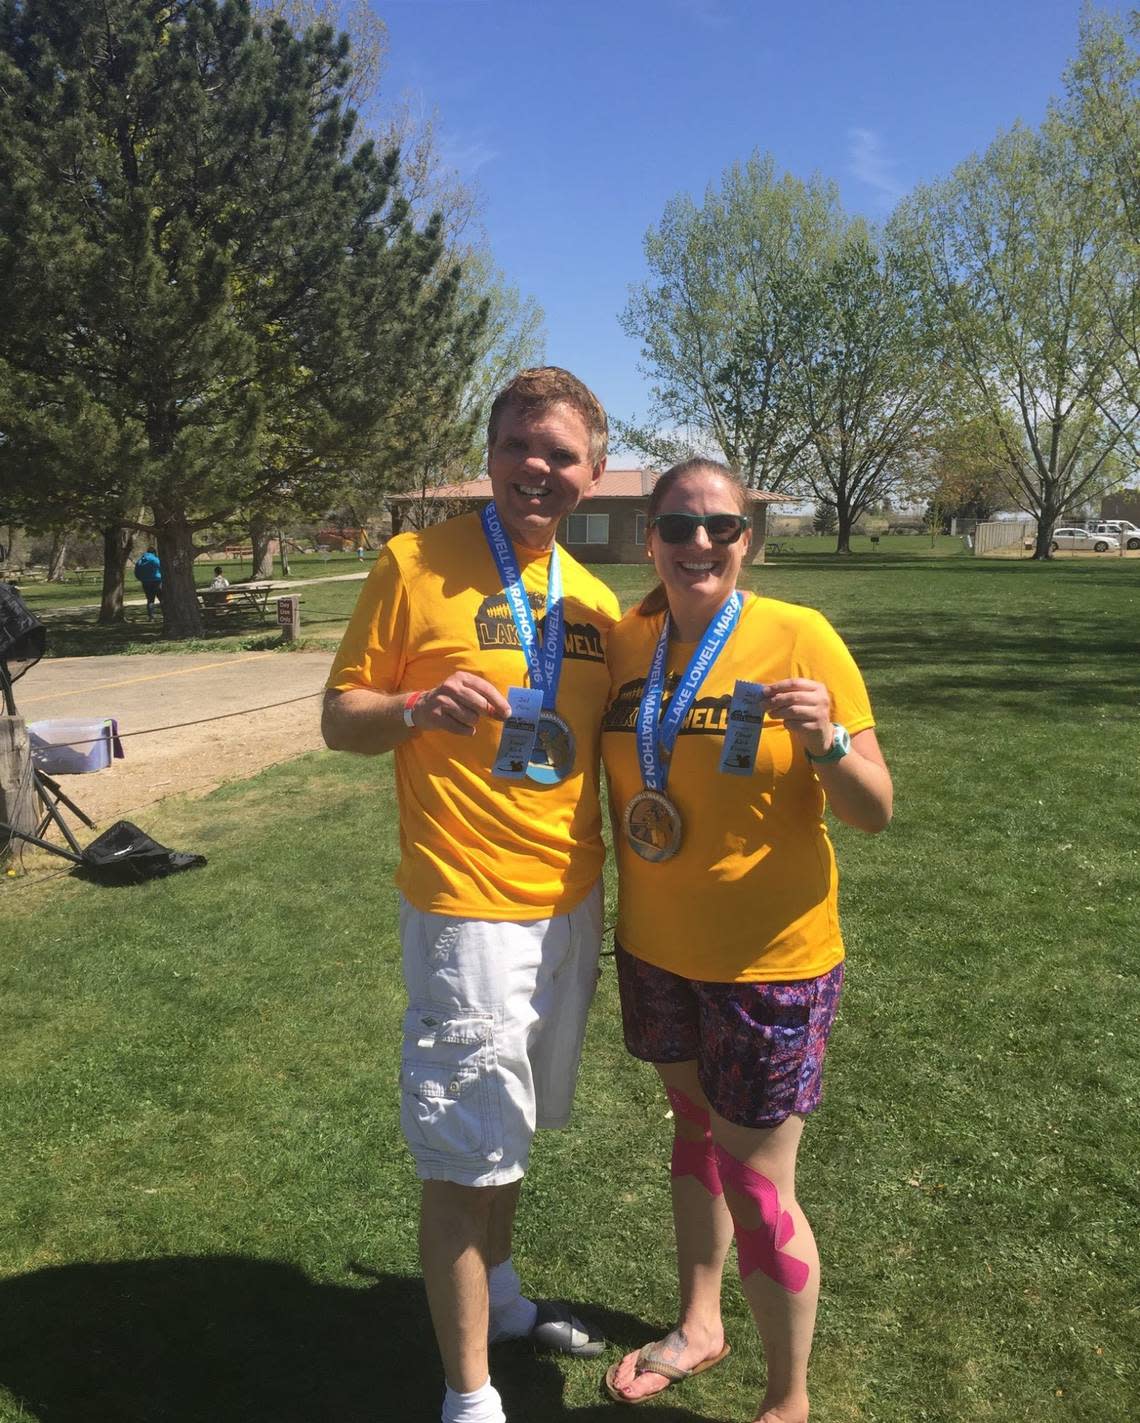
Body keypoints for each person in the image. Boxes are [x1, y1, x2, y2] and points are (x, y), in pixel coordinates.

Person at [322, 368, 620, 1423]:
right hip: (465, 904)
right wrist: (411, 706)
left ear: (591, 471)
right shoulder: (413, 562)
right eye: (520, 446)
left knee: (513, 1126)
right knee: (463, 1144)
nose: (539, 467)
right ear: (490, 453)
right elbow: (339, 718)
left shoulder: (592, 600)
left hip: (568, 903)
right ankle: (469, 1396)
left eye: (562, 453)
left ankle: (495, 1292)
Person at [600, 459, 892, 1421]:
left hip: (770, 962)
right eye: (679, 526)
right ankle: (700, 1322)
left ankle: (788, 1398)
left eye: (721, 528)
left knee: (761, 1184)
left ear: (747, 541)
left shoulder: (798, 635)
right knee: (693, 1132)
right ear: (651, 535)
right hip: (655, 948)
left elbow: (875, 810)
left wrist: (829, 745)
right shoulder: (628, 638)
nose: (699, 545)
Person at [133, 547, 162, 620]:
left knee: (150, 600)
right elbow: (162, 568)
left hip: (145, 582)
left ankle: (151, 617)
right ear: (154, 552)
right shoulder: (155, 560)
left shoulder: (140, 561)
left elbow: (136, 572)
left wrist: (142, 579)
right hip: (157, 581)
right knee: (162, 598)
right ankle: (167, 614)